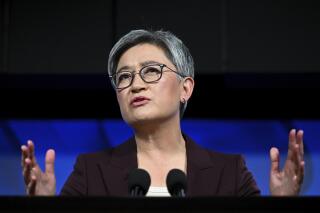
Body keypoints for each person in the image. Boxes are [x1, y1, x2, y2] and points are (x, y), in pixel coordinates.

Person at [21, 29, 305, 196]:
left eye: (151, 71)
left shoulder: (229, 173)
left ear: (186, 88)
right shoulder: (91, 172)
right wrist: (43, 208)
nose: (136, 85)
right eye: (124, 77)